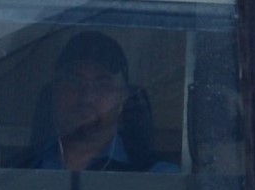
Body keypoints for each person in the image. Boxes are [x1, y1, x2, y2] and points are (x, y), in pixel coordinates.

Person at [29, 31, 166, 172]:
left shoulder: (159, 176)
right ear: (55, 92)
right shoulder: (19, 171)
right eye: (74, 82)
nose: (87, 96)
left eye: (102, 84)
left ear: (121, 99)